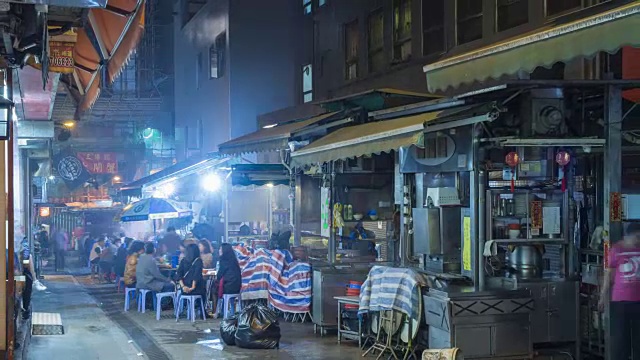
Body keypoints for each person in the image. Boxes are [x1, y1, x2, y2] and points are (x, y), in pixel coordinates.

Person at [600, 223, 640, 360]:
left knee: (638, 339)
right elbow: (608, 276)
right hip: (620, 301)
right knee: (620, 339)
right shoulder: (616, 250)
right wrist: (602, 297)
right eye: (637, 237)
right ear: (628, 236)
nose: (638, 240)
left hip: (638, 301)